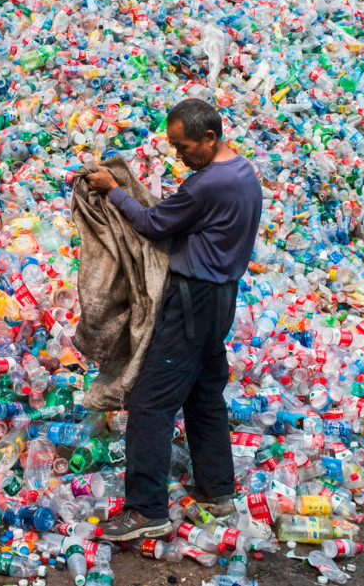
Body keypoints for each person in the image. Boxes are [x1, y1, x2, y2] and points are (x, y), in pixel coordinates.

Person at [83, 99, 263, 541]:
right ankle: (216, 491)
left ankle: (146, 511)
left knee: (151, 402)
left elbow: (151, 222)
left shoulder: (208, 185)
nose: (179, 156)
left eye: (185, 147)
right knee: (204, 395)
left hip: (191, 301)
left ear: (210, 137)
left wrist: (113, 189)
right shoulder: (243, 172)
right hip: (222, 298)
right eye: (174, 147)